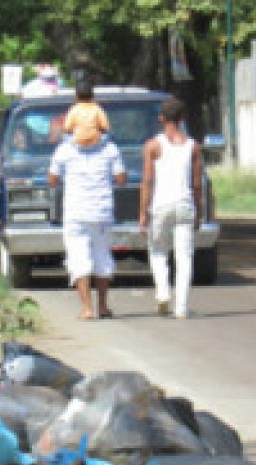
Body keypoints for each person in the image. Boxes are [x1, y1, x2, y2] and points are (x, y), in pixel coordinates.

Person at [48, 126, 127, 320]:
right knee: (102, 256)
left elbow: (51, 179)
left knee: (78, 258)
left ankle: (86, 308)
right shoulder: (110, 149)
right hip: (101, 212)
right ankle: (103, 306)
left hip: (75, 213)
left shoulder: (64, 150)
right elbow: (121, 179)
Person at [139, 97, 202, 319]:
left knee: (158, 252)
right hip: (184, 206)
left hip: (161, 206)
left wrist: (142, 213)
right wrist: (199, 212)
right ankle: (182, 307)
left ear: (161, 119)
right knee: (184, 257)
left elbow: (147, 181)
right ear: (182, 119)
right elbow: (196, 183)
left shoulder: (153, 146)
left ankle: (163, 292)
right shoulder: (192, 146)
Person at [63, 80, 110, 148]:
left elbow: (67, 128)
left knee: (65, 136)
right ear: (92, 95)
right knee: (106, 135)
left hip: (77, 142)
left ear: (76, 96)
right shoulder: (97, 108)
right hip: (95, 141)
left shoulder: (74, 109)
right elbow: (105, 127)